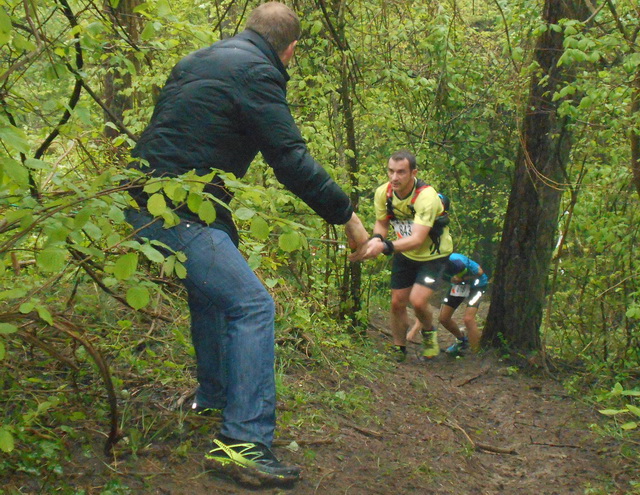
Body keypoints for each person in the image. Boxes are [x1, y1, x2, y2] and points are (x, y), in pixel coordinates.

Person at [125, 2, 369, 486]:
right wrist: (349, 218)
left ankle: (214, 399)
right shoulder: (259, 72)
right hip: (175, 211)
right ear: (291, 50)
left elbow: (184, 143)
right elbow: (290, 158)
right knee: (253, 305)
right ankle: (243, 442)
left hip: (144, 199)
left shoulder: (198, 60)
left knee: (216, 292)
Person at [354, 150, 453, 362]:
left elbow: (417, 238)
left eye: (401, 172)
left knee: (417, 301)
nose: (394, 177)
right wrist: (376, 239)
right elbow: (382, 222)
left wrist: (385, 247)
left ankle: (428, 332)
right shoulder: (384, 193)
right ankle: (398, 348)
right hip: (404, 252)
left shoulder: (427, 197)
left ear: (413, 172)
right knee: (397, 302)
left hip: (433, 256)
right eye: (390, 171)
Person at [407, 253, 488, 354]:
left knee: (468, 319)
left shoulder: (456, 261)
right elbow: (422, 303)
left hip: (477, 285)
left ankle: (477, 354)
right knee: (443, 318)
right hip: (458, 286)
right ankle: (462, 340)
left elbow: (479, 271)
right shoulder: (431, 269)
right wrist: (415, 329)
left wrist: (463, 279)